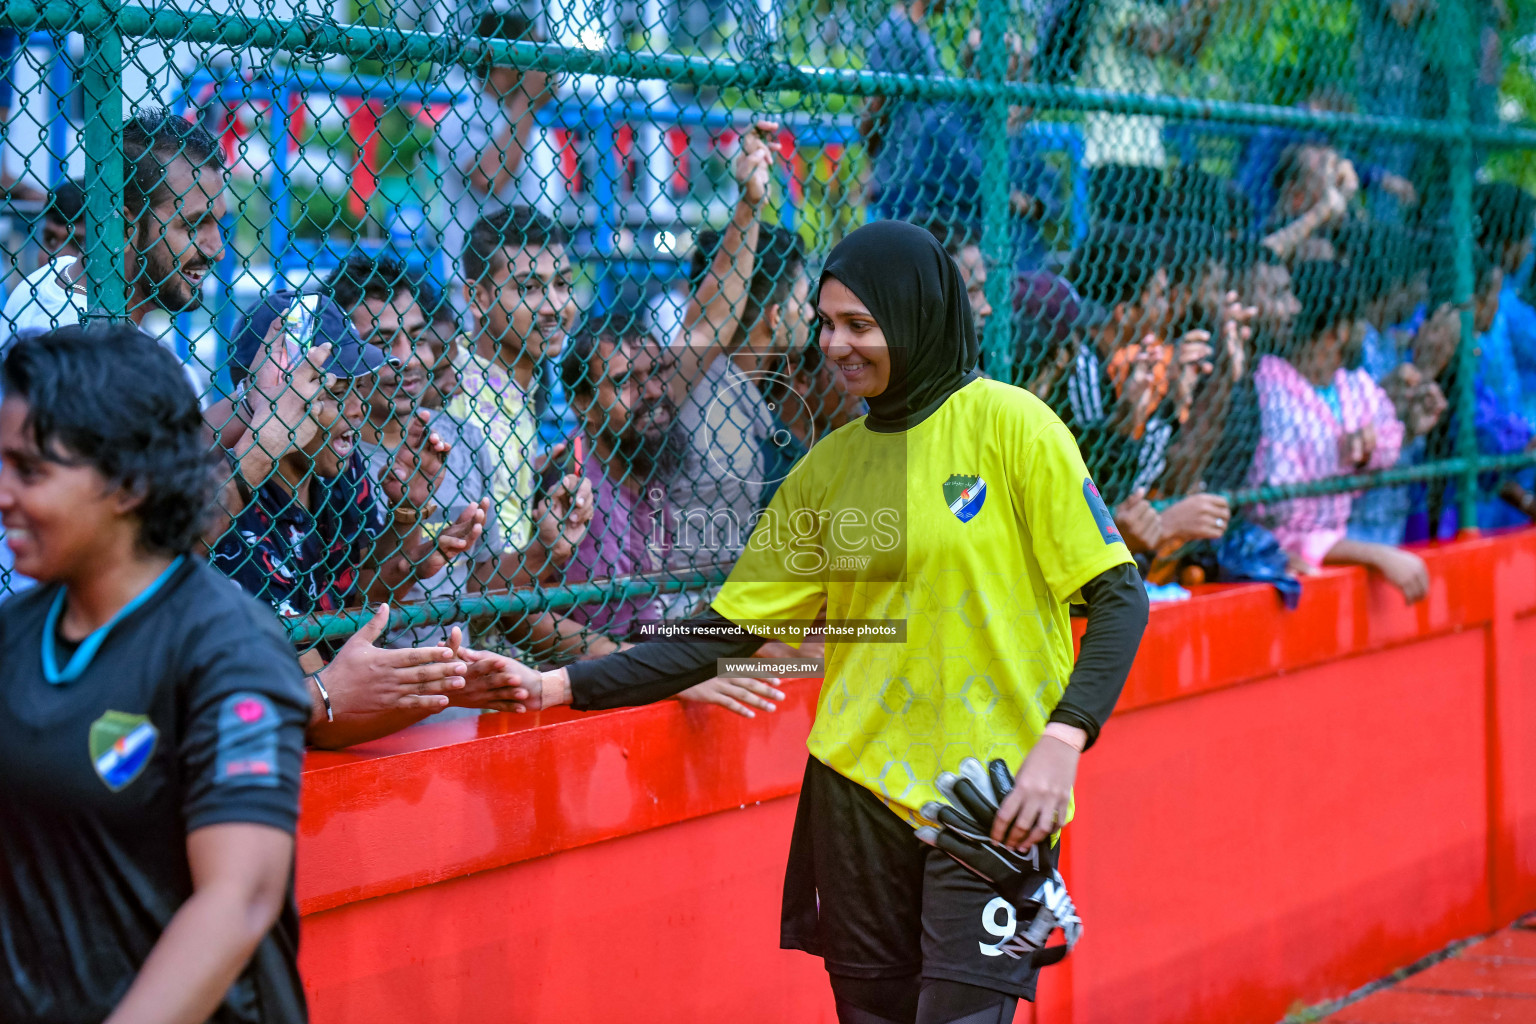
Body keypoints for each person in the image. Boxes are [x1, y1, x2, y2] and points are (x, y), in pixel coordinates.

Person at [468, 221, 1150, 1023]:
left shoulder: (1015, 426)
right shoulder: (824, 470)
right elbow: (719, 636)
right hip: (856, 796)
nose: (835, 345)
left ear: (917, 315)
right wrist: (554, 685)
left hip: (992, 798)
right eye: (826, 324)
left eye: (861, 325)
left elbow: (1118, 596)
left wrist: (1064, 739)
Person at [0, 325, 308, 1022]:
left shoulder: (230, 651)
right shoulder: (17, 637)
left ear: (130, 483)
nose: (3, 494)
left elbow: (240, 897)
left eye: (31, 471)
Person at [212, 291, 488, 748]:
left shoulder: (339, 468)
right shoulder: (234, 511)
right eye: (337, 391)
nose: (359, 409)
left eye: (359, 385)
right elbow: (321, 702)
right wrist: (449, 686)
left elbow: (355, 593)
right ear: (274, 399)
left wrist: (406, 521)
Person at [0, 110, 222, 392]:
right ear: (125, 228)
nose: (218, 250)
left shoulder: (50, 279)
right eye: (193, 225)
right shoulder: (102, 360)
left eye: (217, 223)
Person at [1247, 261, 1427, 601]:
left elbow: (1388, 432)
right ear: (1340, 330)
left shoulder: (1351, 383)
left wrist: (1365, 451)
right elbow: (1284, 516)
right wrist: (1377, 554)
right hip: (1291, 566)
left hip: (1341, 546)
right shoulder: (1272, 389)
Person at [433, 6, 555, 313]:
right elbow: (491, 177)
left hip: (537, 275)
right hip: (482, 284)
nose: (544, 65)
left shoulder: (532, 126)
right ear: (499, 56)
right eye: (533, 53)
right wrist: (528, 99)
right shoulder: (459, 118)